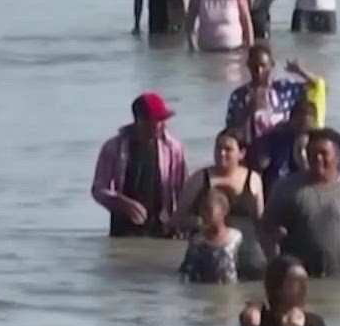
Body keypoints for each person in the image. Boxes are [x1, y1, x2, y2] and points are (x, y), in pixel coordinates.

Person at [262, 128, 340, 278]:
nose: (318, 158)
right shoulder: (286, 187)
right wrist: (274, 264)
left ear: (338, 156)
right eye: (312, 154)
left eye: (323, 153)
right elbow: (266, 229)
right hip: (298, 278)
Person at [89, 93, 188, 238]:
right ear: (140, 120)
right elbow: (98, 190)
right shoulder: (113, 147)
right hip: (123, 228)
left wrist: (181, 221)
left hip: (162, 226)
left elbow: (183, 190)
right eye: (157, 120)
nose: (162, 125)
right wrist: (121, 202)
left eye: (163, 120)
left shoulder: (173, 148)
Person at [180, 129, 266, 274]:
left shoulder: (253, 179)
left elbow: (260, 220)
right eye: (218, 148)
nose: (221, 154)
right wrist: (198, 221)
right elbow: (177, 218)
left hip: (247, 251)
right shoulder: (200, 178)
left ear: (241, 153)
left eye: (228, 149)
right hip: (209, 249)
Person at [225, 44, 313, 141]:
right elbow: (230, 131)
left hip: (283, 147)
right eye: (255, 66)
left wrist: (300, 71)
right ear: (248, 65)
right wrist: (249, 110)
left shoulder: (284, 88)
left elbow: (318, 87)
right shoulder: (239, 95)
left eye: (263, 65)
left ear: (272, 65)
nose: (259, 71)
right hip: (252, 149)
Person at [252, 94, 317, 189]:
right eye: (299, 125)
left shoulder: (320, 140)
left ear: (314, 123)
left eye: (307, 127)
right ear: (290, 120)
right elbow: (262, 163)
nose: (302, 131)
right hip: (278, 187)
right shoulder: (274, 137)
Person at [178, 189, 244, 283]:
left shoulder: (236, 238)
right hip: (203, 292)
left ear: (224, 211)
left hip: (230, 292)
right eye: (202, 210)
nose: (203, 214)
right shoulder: (197, 241)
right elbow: (186, 273)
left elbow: (248, 270)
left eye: (208, 210)